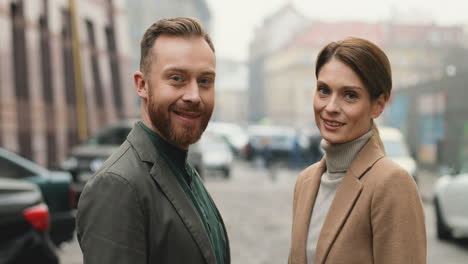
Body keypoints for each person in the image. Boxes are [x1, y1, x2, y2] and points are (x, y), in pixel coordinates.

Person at [76, 18, 230, 264]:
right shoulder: (117, 185)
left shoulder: (181, 167)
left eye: (204, 81)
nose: (193, 96)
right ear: (142, 85)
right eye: (177, 78)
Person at [288, 37, 426, 264]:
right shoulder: (305, 182)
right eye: (323, 91)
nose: (330, 107)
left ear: (378, 105)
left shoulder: (392, 184)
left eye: (349, 95)